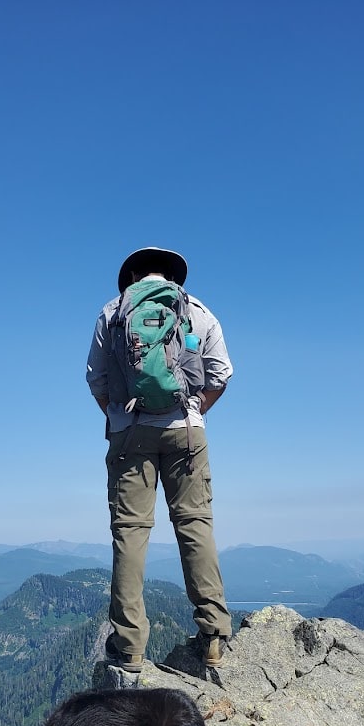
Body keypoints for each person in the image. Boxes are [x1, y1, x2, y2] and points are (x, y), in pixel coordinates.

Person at [86, 246, 233, 672]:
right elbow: (221, 373)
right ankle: (213, 635)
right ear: (174, 276)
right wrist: (194, 410)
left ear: (131, 274)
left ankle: (129, 648)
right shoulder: (198, 312)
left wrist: (120, 417)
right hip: (186, 431)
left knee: (130, 533)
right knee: (194, 524)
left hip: (130, 432)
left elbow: (96, 380)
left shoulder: (112, 313)